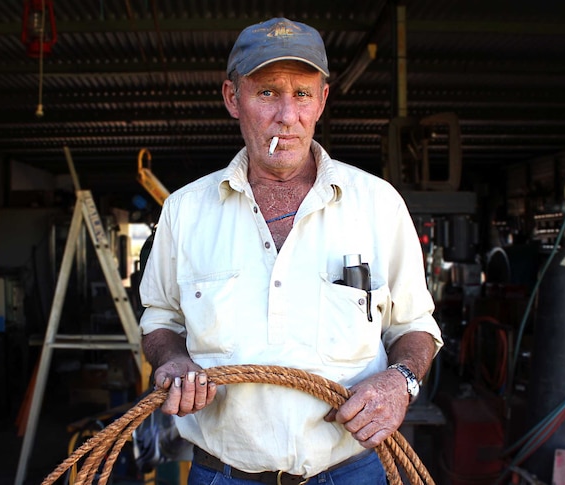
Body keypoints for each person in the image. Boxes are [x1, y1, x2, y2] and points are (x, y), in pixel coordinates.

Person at [138, 17, 443, 485]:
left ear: (322, 100)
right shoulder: (185, 211)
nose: (287, 115)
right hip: (223, 474)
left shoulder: (378, 204)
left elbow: (416, 326)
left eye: (302, 94)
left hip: (349, 471)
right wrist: (171, 359)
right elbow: (159, 318)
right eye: (266, 93)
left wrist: (400, 381)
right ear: (231, 99)